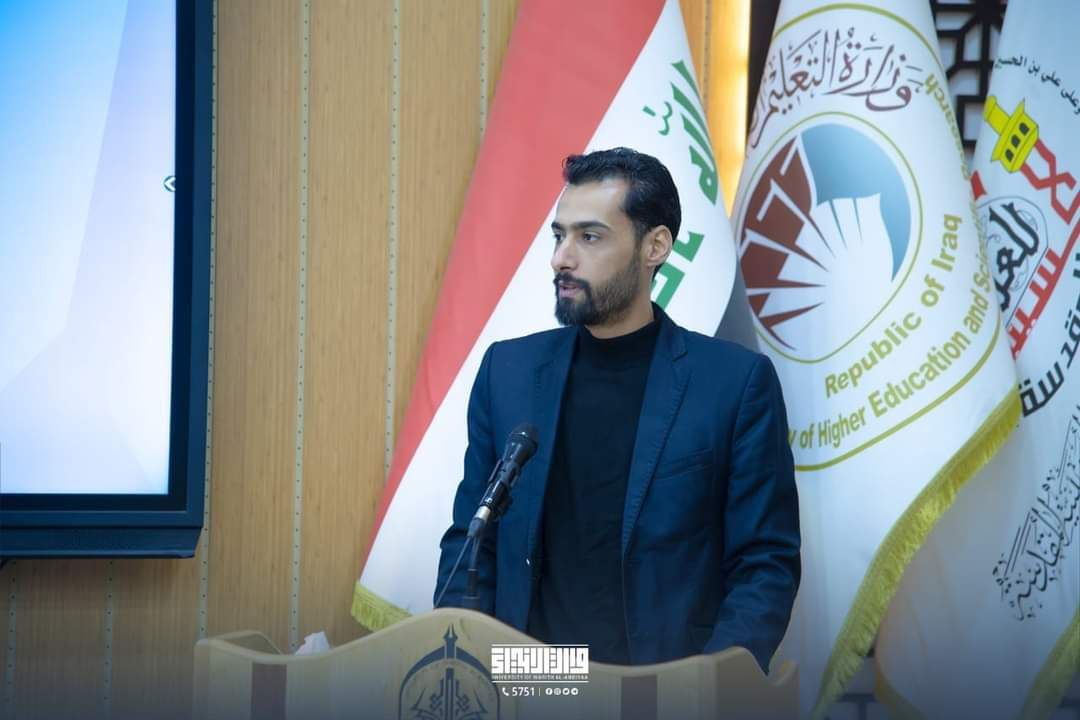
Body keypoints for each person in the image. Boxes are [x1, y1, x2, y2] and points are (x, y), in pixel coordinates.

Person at [434, 147, 799, 672]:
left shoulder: (733, 385)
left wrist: (708, 687)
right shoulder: (508, 373)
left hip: (661, 688)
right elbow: (471, 542)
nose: (561, 258)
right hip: (531, 680)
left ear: (655, 246)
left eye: (589, 237)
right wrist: (468, 672)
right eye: (559, 236)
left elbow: (765, 563)